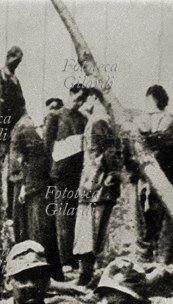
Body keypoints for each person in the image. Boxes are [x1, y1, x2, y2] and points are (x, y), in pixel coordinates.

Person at [73, 88, 122, 286]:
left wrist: (104, 176)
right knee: (92, 231)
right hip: (99, 184)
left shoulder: (98, 121)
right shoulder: (105, 120)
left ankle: (86, 275)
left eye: (84, 100)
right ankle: (88, 274)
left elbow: (103, 153)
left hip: (95, 185)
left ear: (93, 98)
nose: (82, 105)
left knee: (87, 230)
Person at [8, 113, 64, 279]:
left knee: (44, 231)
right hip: (29, 187)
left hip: (42, 186)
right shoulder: (24, 126)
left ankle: (51, 275)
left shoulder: (48, 122)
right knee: (32, 231)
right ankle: (35, 275)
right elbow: (16, 160)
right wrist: (23, 185)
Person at [132, 85, 173, 264]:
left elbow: (131, 153)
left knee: (143, 222)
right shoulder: (172, 121)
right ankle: (164, 262)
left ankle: (143, 260)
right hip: (166, 177)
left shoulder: (137, 122)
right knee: (167, 222)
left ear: (149, 99)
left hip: (144, 177)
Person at [47, 84, 88, 272]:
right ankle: (65, 261)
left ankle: (74, 257)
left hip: (76, 172)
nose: (78, 103)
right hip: (61, 171)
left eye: (82, 100)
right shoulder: (55, 116)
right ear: (70, 94)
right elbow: (47, 147)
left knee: (75, 216)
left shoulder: (82, 118)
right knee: (63, 216)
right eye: (77, 98)